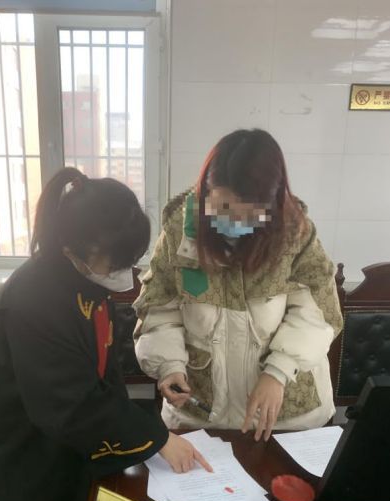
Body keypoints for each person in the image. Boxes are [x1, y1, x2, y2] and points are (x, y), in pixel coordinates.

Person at [0, 167, 211, 501]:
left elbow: (102, 370)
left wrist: (141, 421)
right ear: (73, 247)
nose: (126, 276)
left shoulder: (81, 281)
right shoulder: (33, 300)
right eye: (116, 262)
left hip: (65, 450)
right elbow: (72, 405)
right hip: (28, 460)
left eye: (130, 261)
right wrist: (156, 438)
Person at [134, 129, 343, 441]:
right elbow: (158, 309)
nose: (232, 222)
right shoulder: (179, 233)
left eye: (248, 215)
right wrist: (170, 365)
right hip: (201, 414)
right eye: (223, 208)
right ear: (206, 192)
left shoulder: (295, 233)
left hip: (285, 416)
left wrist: (279, 370)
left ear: (270, 205)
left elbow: (318, 313)